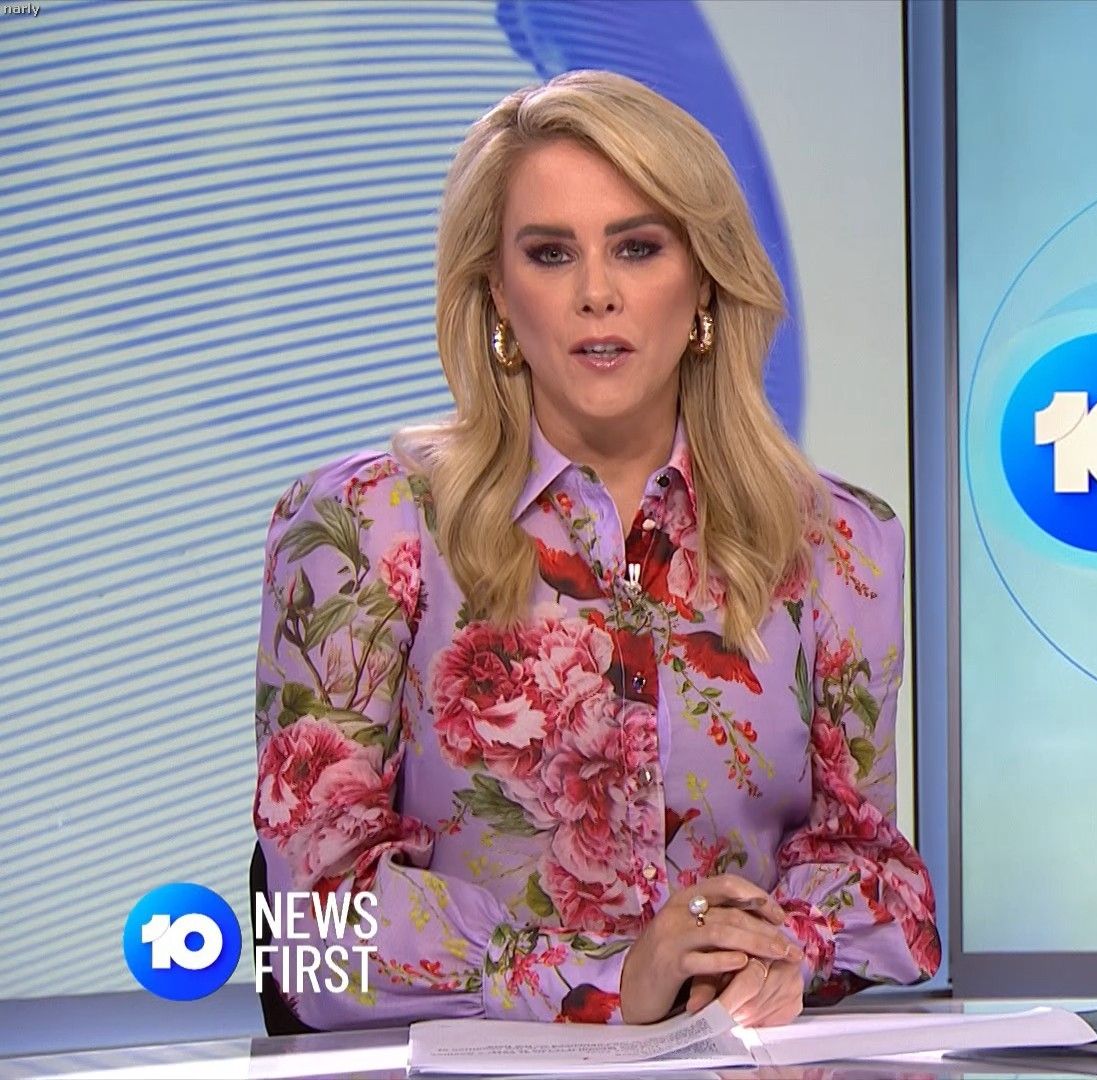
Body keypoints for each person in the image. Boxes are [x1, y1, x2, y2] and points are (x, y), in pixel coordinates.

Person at [251, 69, 938, 1030]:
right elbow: (314, 927)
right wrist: (617, 982)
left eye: (637, 247)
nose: (597, 294)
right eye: (550, 253)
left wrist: (768, 955)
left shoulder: (838, 543)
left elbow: (878, 881)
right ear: (497, 292)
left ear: (705, 282)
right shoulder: (365, 526)